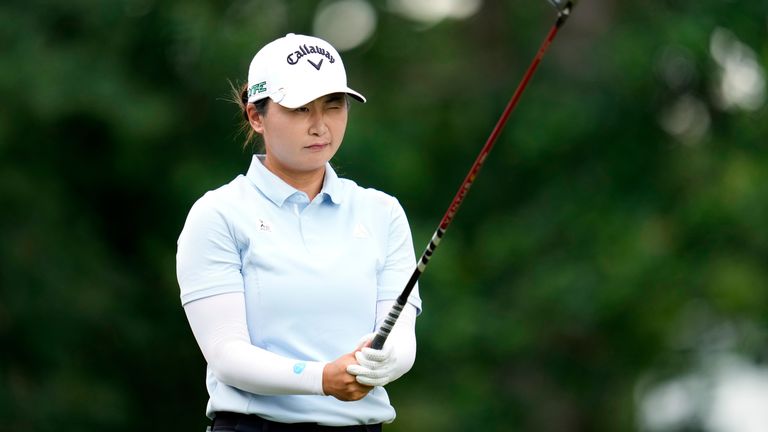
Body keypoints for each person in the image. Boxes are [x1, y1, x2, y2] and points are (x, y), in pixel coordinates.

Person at [176, 33, 422, 432]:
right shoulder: (218, 214)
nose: (320, 126)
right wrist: (322, 378)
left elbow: (401, 339)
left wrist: (383, 362)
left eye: (333, 105)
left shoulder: (382, 212)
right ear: (256, 116)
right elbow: (226, 354)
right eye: (300, 108)